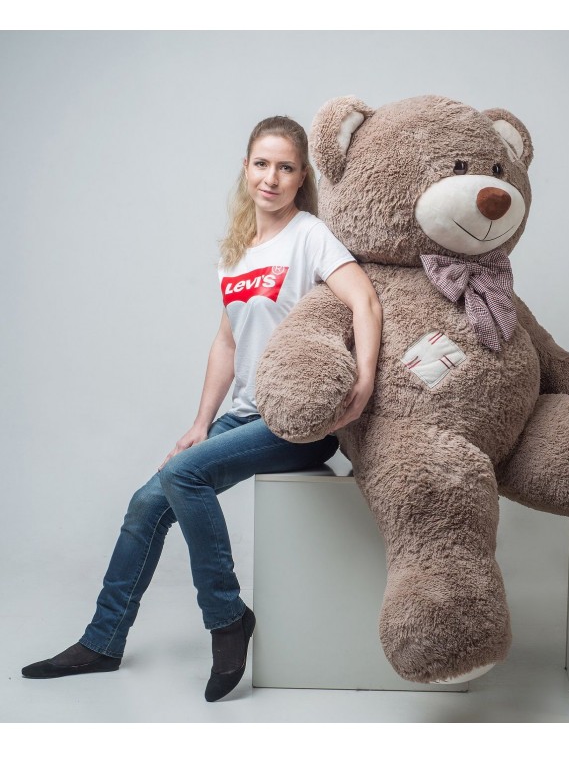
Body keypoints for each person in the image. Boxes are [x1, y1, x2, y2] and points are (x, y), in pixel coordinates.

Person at [21, 116, 382, 702]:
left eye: (285, 167)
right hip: (243, 416)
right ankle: (102, 641)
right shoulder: (238, 252)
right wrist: (200, 423)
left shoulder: (309, 235)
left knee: (183, 475)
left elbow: (364, 299)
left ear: (302, 177)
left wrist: (363, 380)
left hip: (298, 421)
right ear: (245, 168)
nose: (271, 178)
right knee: (147, 503)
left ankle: (226, 617)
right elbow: (227, 342)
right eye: (261, 164)